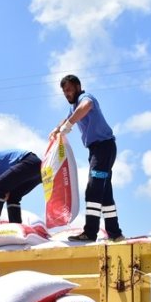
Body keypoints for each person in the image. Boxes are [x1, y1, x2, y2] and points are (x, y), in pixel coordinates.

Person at [50, 74, 124, 242]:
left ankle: (90, 232)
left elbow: (87, 105)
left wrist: (69, 126)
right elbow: (68, 116)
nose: (67, 94)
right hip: (97, 150)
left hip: (103, 148)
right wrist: (57, 129)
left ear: (77, 87)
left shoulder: (85, 97)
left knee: (93, 189)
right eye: (64, 92)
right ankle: (115, 234)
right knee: (104, 193)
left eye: (69, 90)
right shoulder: (74, 105)